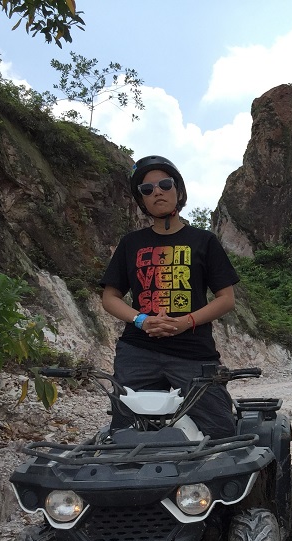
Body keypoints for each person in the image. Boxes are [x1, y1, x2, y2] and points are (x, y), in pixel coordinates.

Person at [99, 155, 240, 439]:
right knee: (125, 433)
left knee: (221, 431)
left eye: (164, 184)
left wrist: (186, 322)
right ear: (142, 200)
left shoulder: (204, 241)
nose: (157, 192)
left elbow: (226, 298)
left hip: (192, 351)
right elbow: (110, 297)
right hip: (138, 351)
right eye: (146, 189)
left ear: (178, 191)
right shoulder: (131, 244)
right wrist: (141, 320)